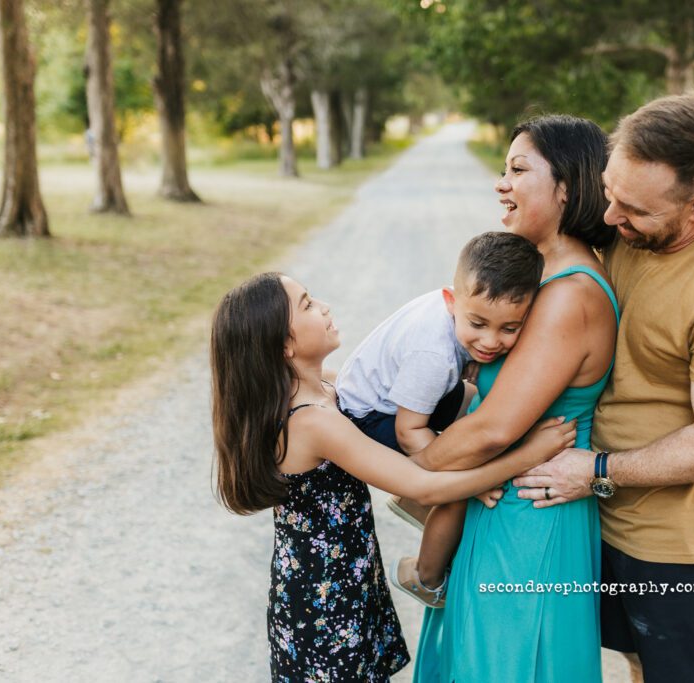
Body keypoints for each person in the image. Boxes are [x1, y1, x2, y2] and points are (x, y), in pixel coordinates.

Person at [512, 91, 694, 682]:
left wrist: (597, 469)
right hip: (594, 515)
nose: (610, 218)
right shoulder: (624, 220)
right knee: (635, 661)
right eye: (610, 192)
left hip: (672, 543)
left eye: (633, 209)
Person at [209, 272, 577, 682]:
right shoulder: (312, 421)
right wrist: (526, 455)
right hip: (323, 599)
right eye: (308, 304)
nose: (324, 306)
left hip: (348, 579)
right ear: (284, 344)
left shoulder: (329, 388)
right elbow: (419, 484)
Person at [412, 114, 618, 682]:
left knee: (508, 661)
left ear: (567, 188)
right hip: (504, 499)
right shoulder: (540, 277)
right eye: (503, 169)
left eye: (518, 169)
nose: (501, 183)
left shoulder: (569, 293)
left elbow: (495, 428)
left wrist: (408, 473)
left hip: (528, 517)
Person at [334, 231, 545, 608]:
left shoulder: (455, 312)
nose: (491, 341)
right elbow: (408, 429)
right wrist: (461, 479)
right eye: (478, 324)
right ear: (451, 300)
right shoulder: (432, 354)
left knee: (478, 415)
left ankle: (418, 496)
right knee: (458, 486)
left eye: (509, 328)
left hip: (404, 397)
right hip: (370, 417)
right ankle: (425, 577)